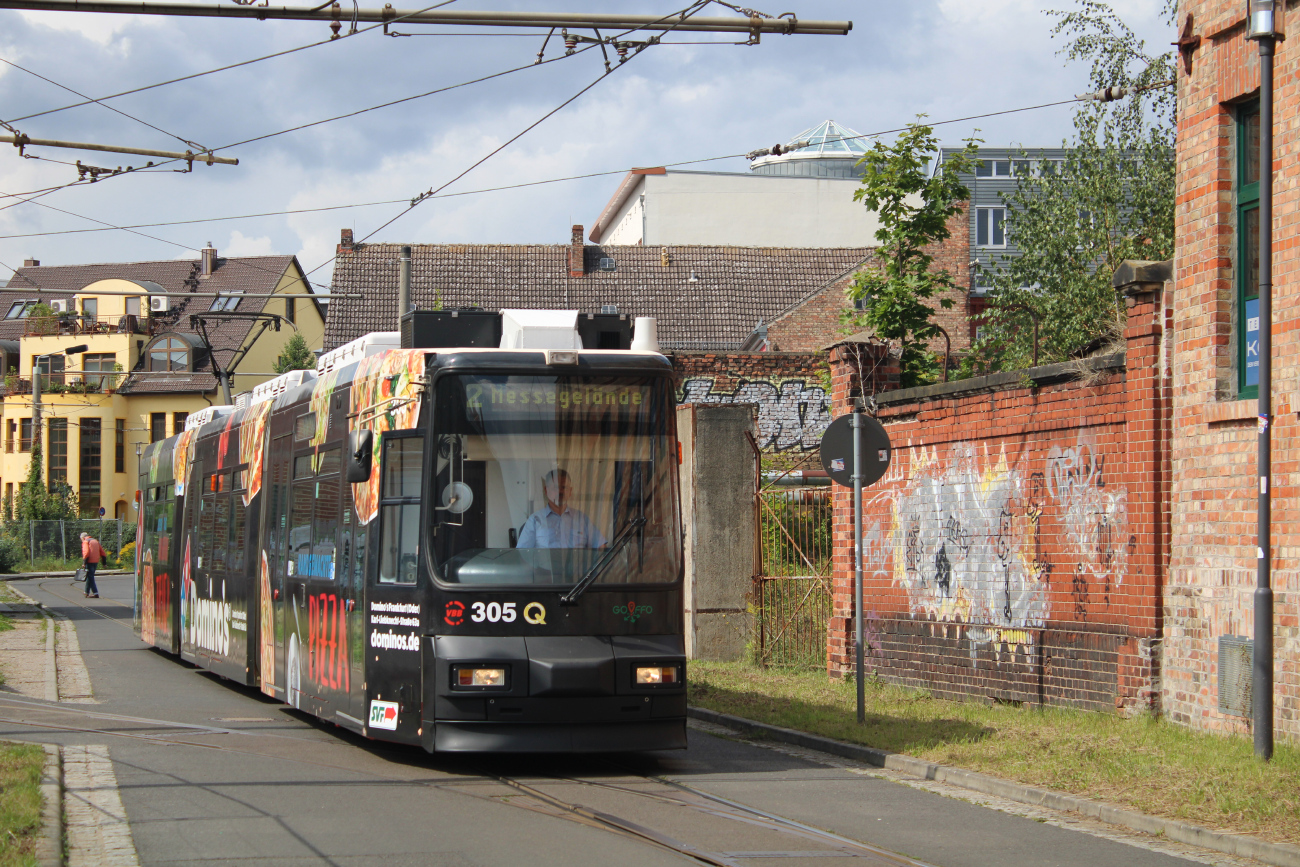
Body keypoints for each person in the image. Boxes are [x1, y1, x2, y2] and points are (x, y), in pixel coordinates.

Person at [516, 469, 607, 549]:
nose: (560, 492)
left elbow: (601, 547)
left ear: (570, 491)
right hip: (544, 568)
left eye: (564, 487)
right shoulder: (535, 520)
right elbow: (522, 554)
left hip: (577, 568)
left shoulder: (582, 519)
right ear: (546, 490)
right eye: (556, 487)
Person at [80, 532, 102, 599]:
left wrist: (84, 562)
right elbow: (102, 551)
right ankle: (86, 592)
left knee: (90, 577)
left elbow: (86, 552)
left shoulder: (85, 542)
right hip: (96, 561)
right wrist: (104, 562)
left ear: (83, 538)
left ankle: (95, 593)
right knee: (90, 576)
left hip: (89, 561)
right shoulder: (95, 541)